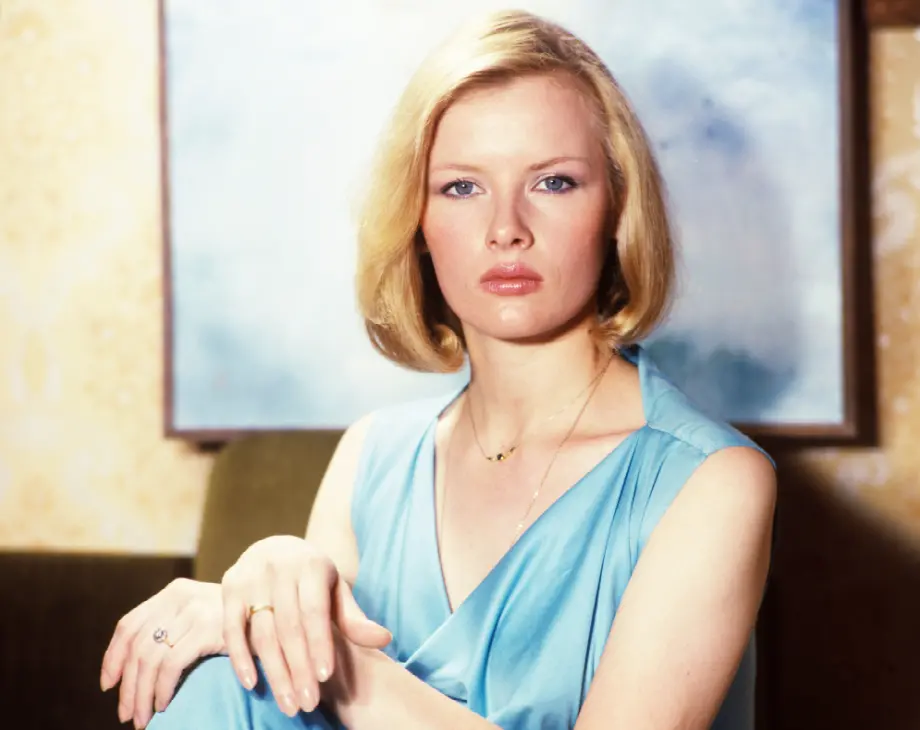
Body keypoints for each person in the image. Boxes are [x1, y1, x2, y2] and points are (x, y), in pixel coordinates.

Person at [100, 9, 776, 729]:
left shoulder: (712, 482)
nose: (506, 228)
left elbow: (334, 678)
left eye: (553, 183)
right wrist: (262, 589)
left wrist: (344, 665)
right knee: (233, 682)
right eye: (461, 187)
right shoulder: (370, 457)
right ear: (417, 223)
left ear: (617, 209)